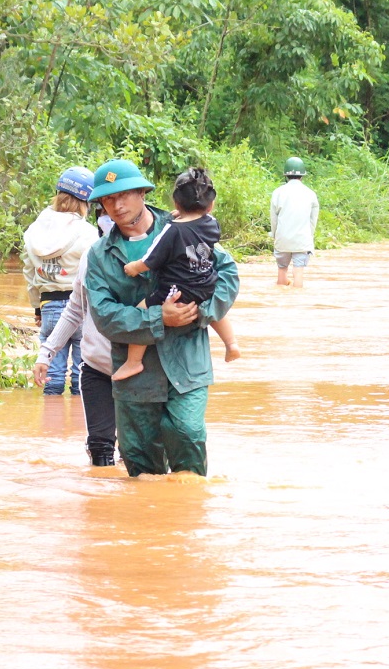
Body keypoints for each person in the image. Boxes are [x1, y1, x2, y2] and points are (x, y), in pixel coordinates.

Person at [84, 159, 239, 477]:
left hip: (187, 365)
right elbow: (105, 316)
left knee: (188, 435)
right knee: (140, 464)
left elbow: (227, 274)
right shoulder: (100, 255)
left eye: (124, 194)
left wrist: (197, 313)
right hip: (136, 380)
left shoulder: (185, 225)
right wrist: (159, 318)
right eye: (108, 199)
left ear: (142, 192)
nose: (117, 204)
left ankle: (187, 522)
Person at [116, 167, 240, 380]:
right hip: (205, 284)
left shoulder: (172, 230)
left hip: (176, 291)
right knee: (217, 313)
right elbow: (196, 226)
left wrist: (134, 267)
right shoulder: (212, 224)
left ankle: (133, 362)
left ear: (175, 203)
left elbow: (151, 259)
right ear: (211, 205)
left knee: (142, 310)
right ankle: (231, 344)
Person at [30, 209, 119, 466]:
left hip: (139, 370)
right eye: (105, 210)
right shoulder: (91, 255)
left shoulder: (152, 254)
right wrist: (45, 353)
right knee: (101, 450)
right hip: (98, 368)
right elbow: (74, 310)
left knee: (134, 452)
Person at [22, 167, 101, 396]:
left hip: (49, 308)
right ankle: (79, 428)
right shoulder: (88, 233)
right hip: (81, 309)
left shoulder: (33, 230)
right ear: (87, 201)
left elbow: (30, 274)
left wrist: (37, 307)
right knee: (82, 376)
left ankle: (51, 427)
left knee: (52, 376)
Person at [270, 157, 319, 288]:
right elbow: (313, 221)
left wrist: (275, 235)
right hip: (302, 240)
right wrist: (310, 236)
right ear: (302, 176)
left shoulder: (277, 193)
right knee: (298, 272)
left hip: (282, 239)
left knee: (281, 271)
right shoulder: (310, 194)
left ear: (286, 175)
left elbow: (274, 220)